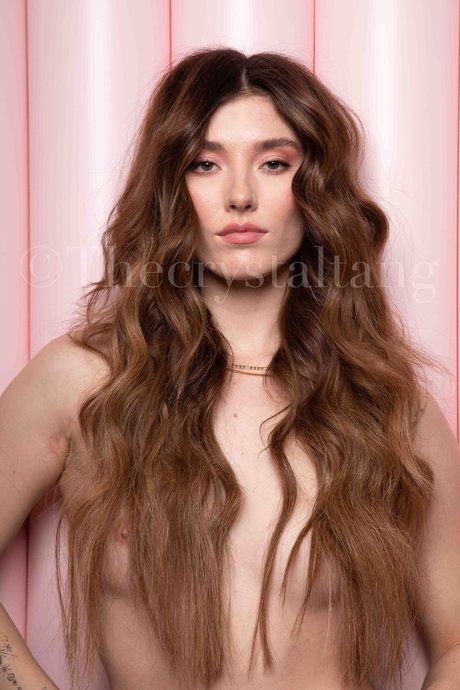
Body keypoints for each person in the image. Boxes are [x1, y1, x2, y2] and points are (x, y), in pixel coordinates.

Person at [1, 46, 459, 690]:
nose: (240, 195)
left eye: (274, 163)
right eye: (205, 163)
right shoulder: (82, 381)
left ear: (316, 189)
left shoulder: (389, 407)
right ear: (170, 187)